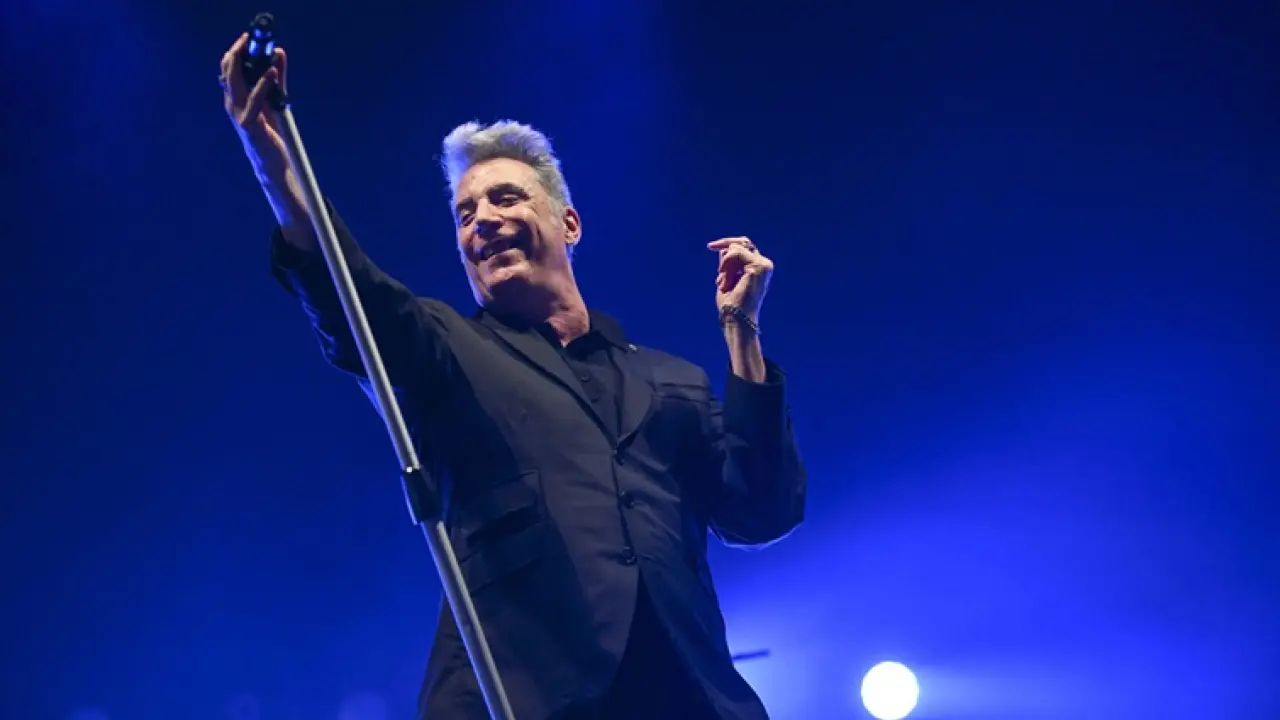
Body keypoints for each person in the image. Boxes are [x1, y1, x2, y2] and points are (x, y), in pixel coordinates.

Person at [219, 33, 807, 720]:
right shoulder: (448, 349)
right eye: (465, 214)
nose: (484, 222)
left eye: (505, 199)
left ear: (569, 223)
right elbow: (351, 295)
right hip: (525, 698)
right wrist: (272, 162)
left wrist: (741, 331)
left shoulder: (669, 380)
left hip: (687, 699)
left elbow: (762, 512)